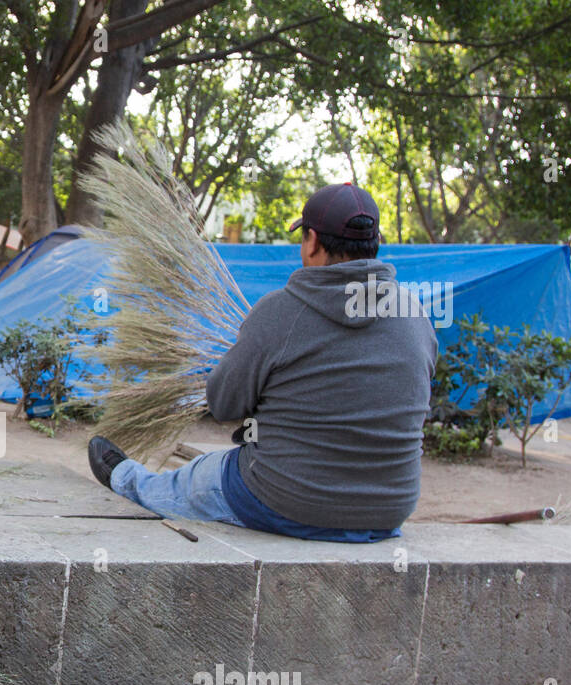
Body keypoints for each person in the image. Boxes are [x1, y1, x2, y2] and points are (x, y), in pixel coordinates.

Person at [89, 182, 438, 542]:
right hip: (388, 513)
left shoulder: (281, 311)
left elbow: (223, 404)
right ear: (375, 244)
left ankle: (126, 478)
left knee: (199, 476)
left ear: (313, 241)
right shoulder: (416, 316)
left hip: (287, 502)